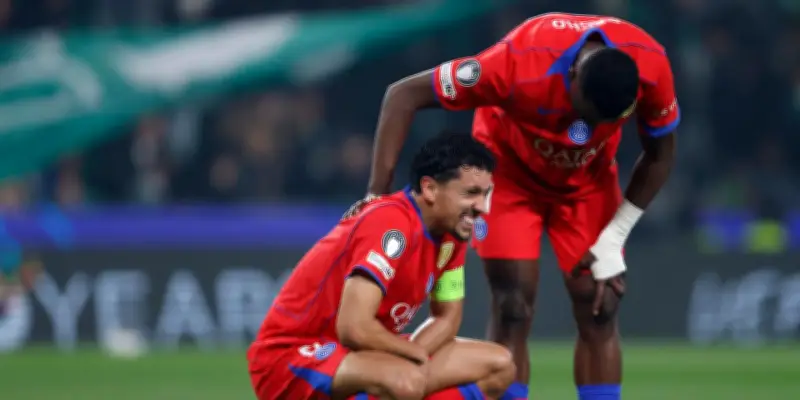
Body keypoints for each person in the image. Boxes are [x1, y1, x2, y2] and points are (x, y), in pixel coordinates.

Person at [350, 12, 680, 400]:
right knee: (513, 305)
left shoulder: (650, 66)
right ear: (572, 76)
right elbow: (403, 95)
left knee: (600, 306)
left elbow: (659, 155)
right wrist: (376, 195)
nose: (582, 132)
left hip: (587, 184)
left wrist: (615, 236)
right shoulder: (515, 63)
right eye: (584, 114)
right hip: (509, 178)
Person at [248, 131, 516, 400]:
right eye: (471, 193)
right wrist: (412, 358)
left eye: (485, 194)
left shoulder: (452, 234)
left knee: (498, 365)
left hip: (363, 354)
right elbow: (355, 327)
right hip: (294, 354)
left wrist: (415, 356)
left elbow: (447, 317)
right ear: (430, 188)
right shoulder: (391, 224)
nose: (483, 207)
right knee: (403, 382)